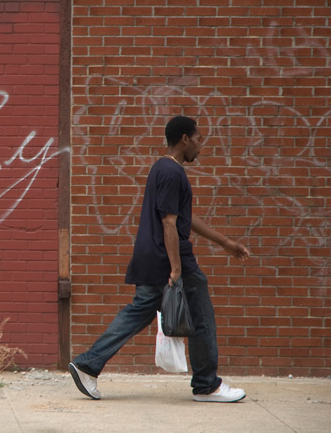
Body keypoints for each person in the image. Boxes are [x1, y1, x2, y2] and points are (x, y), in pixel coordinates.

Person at [68, 115, 252, 403]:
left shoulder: (162, 169)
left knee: (138, 312)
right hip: (170, 259)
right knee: (202, 318)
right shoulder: (172, 172)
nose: (201, 146)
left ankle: (87, 366)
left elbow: (182, 217)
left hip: (152, 257)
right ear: (184, 139)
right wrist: (177, 268)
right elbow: (169, 222)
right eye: (199, 139)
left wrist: (225, 242)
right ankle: (207, 385)